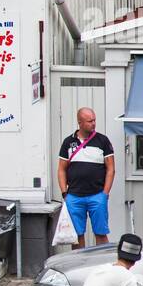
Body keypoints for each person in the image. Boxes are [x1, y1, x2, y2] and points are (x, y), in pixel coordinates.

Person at [58, 107, 115, 249]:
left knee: (101, 233)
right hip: (74, 196)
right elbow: (61, 169)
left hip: (97, 195)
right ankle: (79, 265)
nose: (94, 123)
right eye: (90, 121)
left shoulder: (103, 140)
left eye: (94, 120)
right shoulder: (68, 142)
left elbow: (111, 168)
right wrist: (65, 193)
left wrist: (105, 194)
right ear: (80, 123)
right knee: (77, 236)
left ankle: (102, 263)